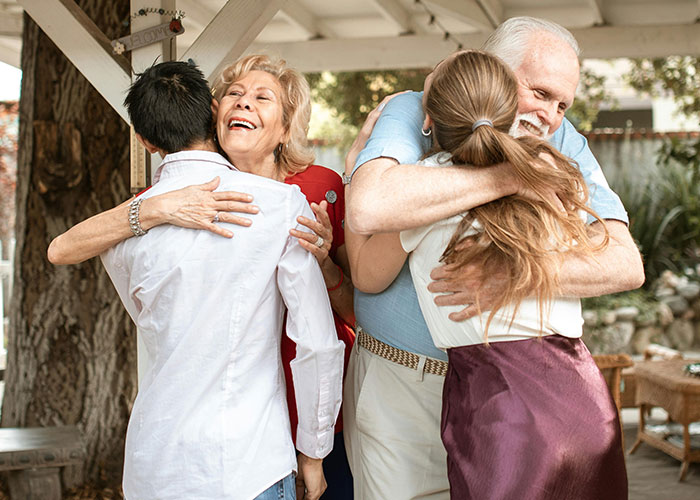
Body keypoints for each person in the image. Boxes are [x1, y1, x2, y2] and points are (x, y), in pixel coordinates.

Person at [342, 17, 644, 499]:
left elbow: (625, 263)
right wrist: (512, 176)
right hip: (405, 382)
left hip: (512, 401)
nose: (550, 116)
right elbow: (369, 209)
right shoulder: (415, 110)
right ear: (493, 69)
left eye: (563, 104)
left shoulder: (563, 146)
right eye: (541, 93)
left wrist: (514, 274)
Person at [48, 55, 355, 499]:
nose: (245, 104)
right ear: (214, 112)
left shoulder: (120, 231)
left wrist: (152, 209)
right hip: (248, 460)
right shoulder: (281, 207)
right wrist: (313, 452)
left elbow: (145, 314)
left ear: (144, 140)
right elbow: (318, 344)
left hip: (155, 464)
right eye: (235, 94)